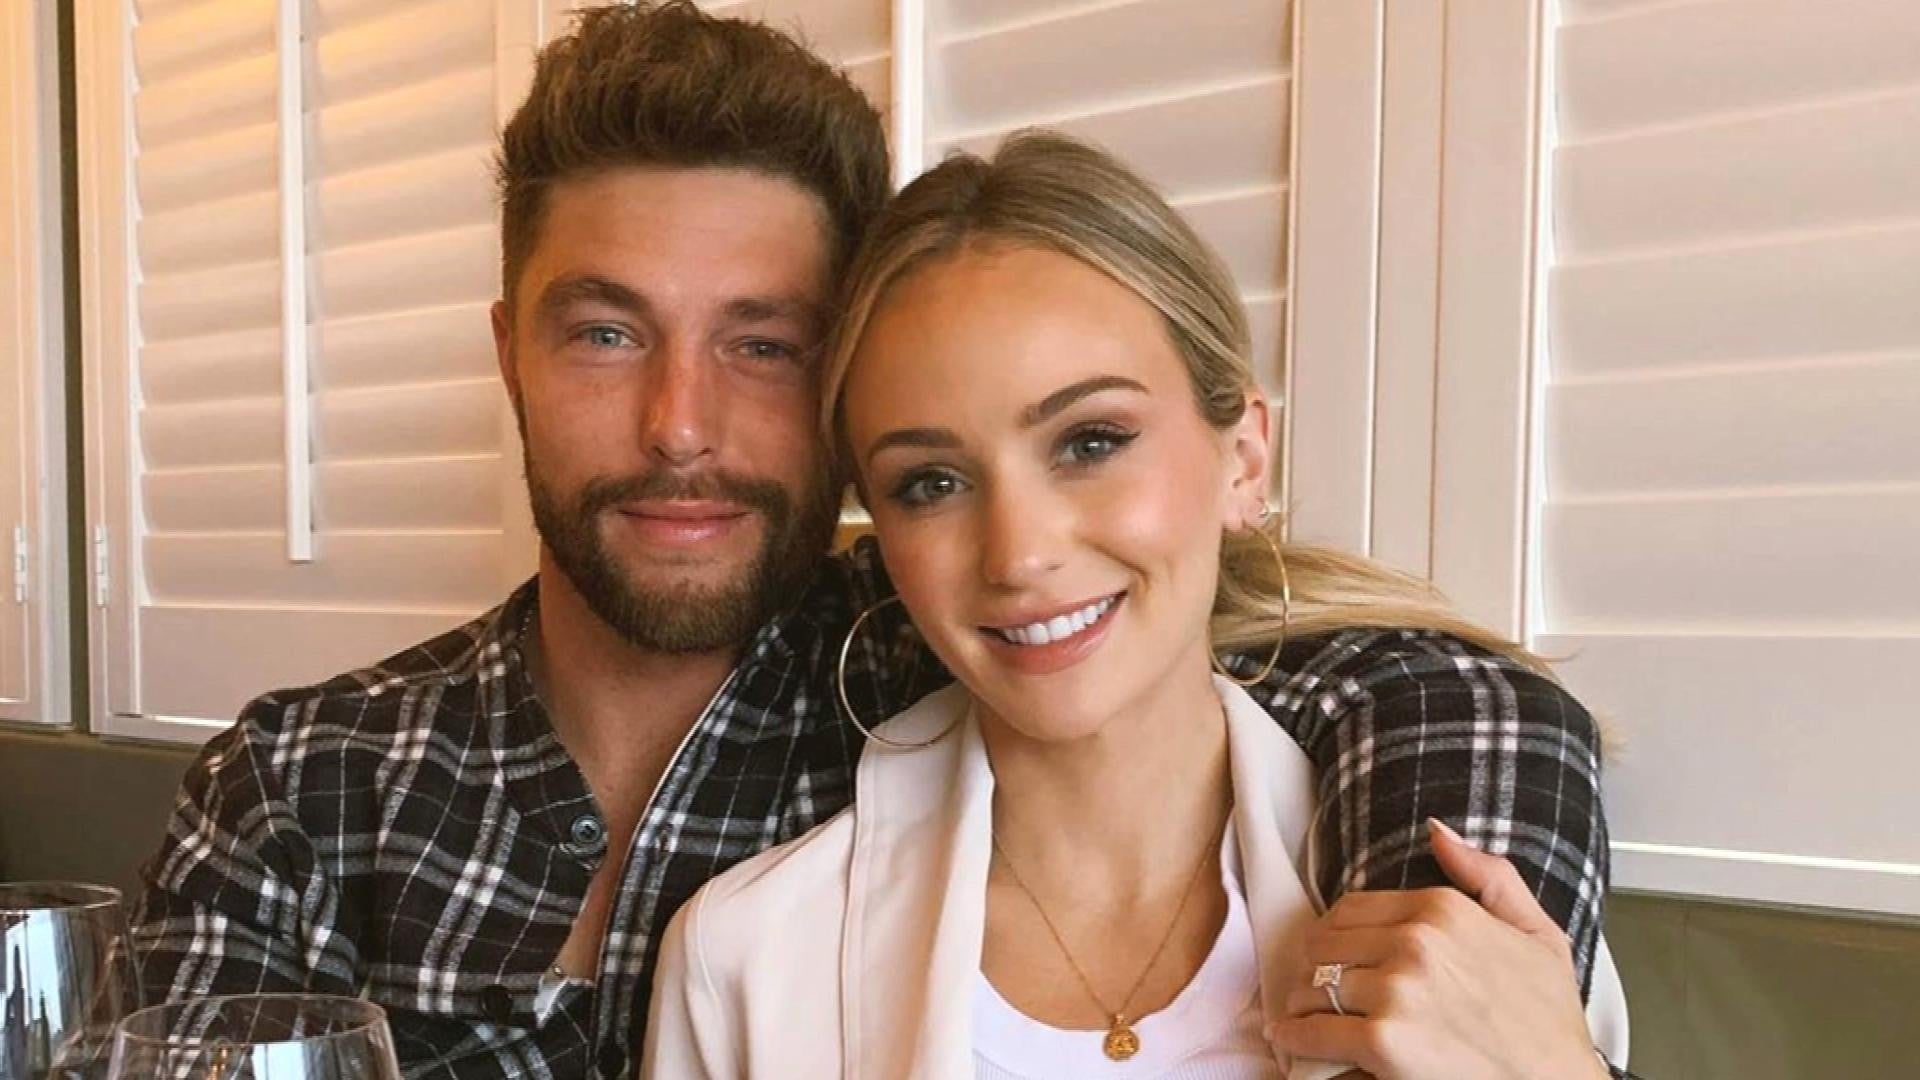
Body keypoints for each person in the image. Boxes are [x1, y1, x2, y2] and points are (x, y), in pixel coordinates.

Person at [132, 5, 1617, 1078]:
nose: (679, 425)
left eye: (762, 344)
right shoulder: (305, 784)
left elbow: (1451, 691)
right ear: (509, 353)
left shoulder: (953, 649)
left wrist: (1458, 963)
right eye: (605, 334)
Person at [641, 132, 1628, 1079]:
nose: (1019, 554)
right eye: (931, 483)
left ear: (1244, 458)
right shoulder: (744, 962)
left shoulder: (1463, 912)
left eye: (1091, 442)